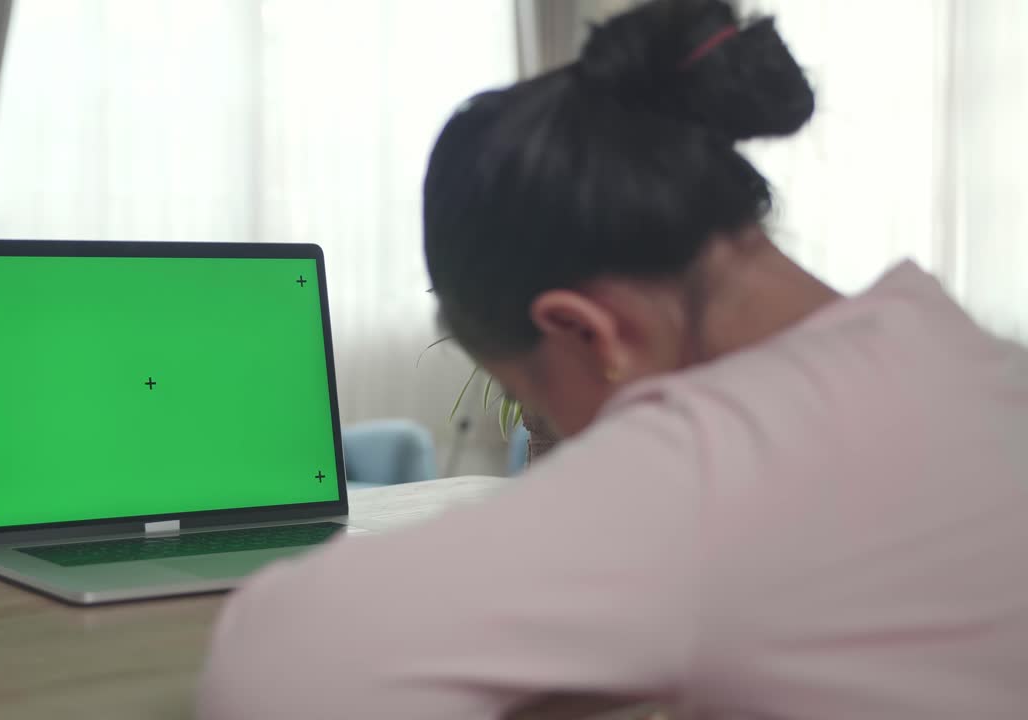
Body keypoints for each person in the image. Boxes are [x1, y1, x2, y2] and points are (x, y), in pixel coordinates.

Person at [197, 0, 1028, 716]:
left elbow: (280, 665)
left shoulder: (719, 462)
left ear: (590, 333)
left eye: (541, 404)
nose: (561, 437)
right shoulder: (956, 350)